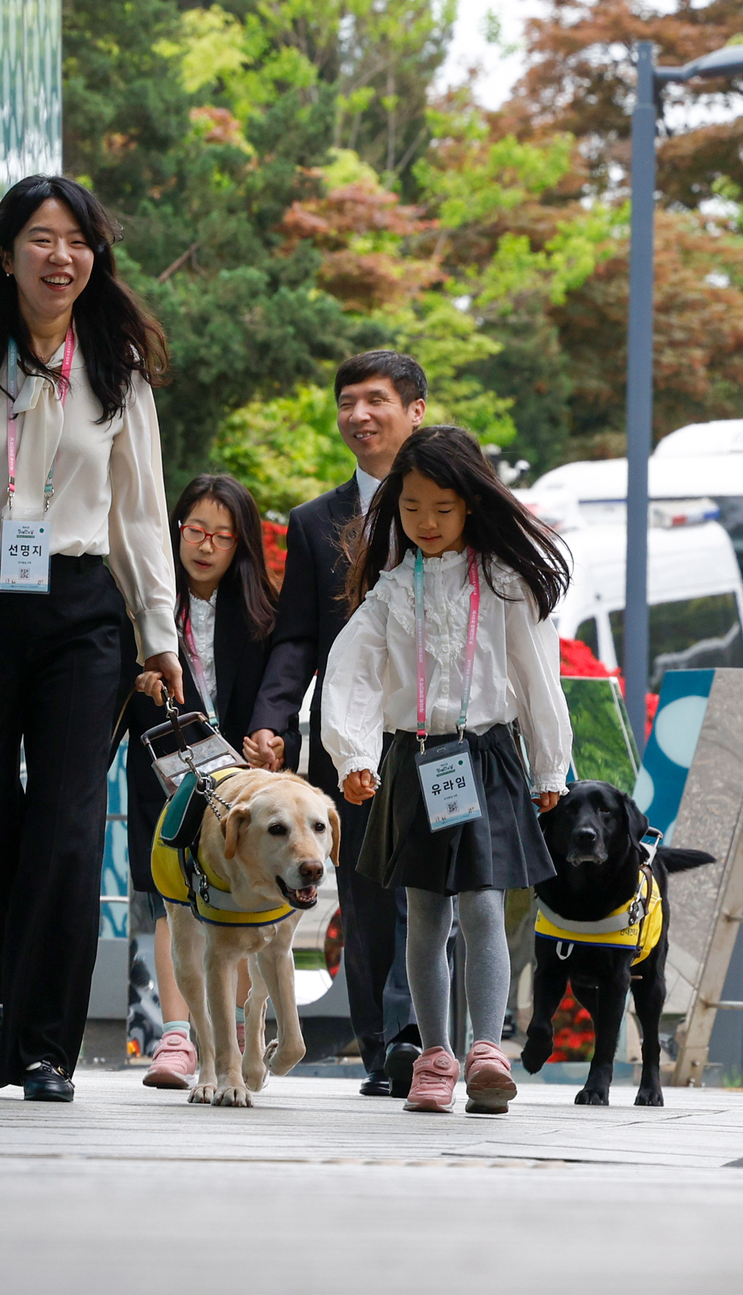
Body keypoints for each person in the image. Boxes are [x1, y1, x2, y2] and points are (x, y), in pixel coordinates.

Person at [0, 174, 182, 1103]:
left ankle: (43, 1049)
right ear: (6, 254)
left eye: (77, 240)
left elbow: (142, 517)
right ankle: (18, 992)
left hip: (81, 610)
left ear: (93, 257)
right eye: (41, 237)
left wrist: (161, 636)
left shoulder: (114, 368)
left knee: (70, 825)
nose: (60, 255)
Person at [321, 424, 572, 1115]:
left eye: (442, 508)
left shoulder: (504, 582)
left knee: (485, 902)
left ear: (471, 504)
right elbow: (352, 673)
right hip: (414, 758)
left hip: (486, 754)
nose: (426, 523)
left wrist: (550, 764)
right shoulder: (393, 589)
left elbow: (535, 675)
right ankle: (436, 1053)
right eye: (411, 509)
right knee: (425, 913)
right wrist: (354, 755)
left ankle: (486, 1048)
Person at [243, 349, 427, 1097]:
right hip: (345, 740)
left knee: (432, 889)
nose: (360, 415)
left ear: (415, 410)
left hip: (433, 735)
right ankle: (386, 1049)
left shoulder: (449, 508)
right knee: (364, 895)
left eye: (377, 399)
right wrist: (271, 721)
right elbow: (296, 639)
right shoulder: (317, 522)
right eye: (348, 401)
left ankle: (426, 1037)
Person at [122, 473, 299, 1089]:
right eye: (194, 529)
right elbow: (115, 693)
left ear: (241, 545)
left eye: (222, 536)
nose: (205, 545)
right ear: (176, 531)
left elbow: (281, 694)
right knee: (171, 899)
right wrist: (137, 682)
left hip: (242, 786)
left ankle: (234, 1034)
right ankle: (177, 1037)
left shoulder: (263, 615)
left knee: (239, 899)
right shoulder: (142, 608)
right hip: (169, 783)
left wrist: (269, 738)